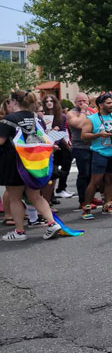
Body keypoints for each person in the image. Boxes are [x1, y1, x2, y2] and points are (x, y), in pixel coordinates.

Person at [0, 90, 62, 241]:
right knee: (35, 196)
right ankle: (52, 223)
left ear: (14, 102)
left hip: (14, 162)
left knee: (15, 198)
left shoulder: (7, 119)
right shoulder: (37, 118)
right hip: (34, 162)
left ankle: (20, 232)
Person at [81, 93, 112, 219]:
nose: (111, 105)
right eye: (108, 103)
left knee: (111, 180)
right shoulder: (92, 119)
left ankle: (108, 204)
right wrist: (99, 134)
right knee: (95, 181)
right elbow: (84, 136)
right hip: (99, 152)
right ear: (100, 105)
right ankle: (87, 207)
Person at [43, 95, 73, 201]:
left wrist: (60, 142)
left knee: (55, 171)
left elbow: (62, 131)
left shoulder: (62, 116)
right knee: (49, 172)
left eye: (51, 101)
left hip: (58, 144)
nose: (49, 103)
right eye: (47, 101)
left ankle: (54, 193)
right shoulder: (40, 116)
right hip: (45, 146)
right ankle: (48, 196)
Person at [67, 93, 93, 209]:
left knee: (93, 175)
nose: (82, 103)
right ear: (75, 103)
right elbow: (80, 124)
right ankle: (83, 200)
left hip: (93, 146)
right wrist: (83, 111)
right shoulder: (71, 113)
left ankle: (90, 197)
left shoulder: (91, 111)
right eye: (79, 101)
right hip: (80, 147)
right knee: (84, 174)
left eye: (84, 100)